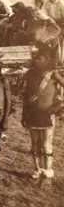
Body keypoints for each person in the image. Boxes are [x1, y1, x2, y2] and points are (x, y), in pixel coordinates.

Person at [22, 42, 64, 181]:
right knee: (35, 144)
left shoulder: (53, 74)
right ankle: (37, 170)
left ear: (47, 59)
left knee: (46, 145)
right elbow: (26, 96)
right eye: (35, 58)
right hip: (32, 113)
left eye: (40, 58)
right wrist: (24, 114)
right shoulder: (29, 74)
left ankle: (48, 172)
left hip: (47, 114)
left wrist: (59, 107)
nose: (37, 60)